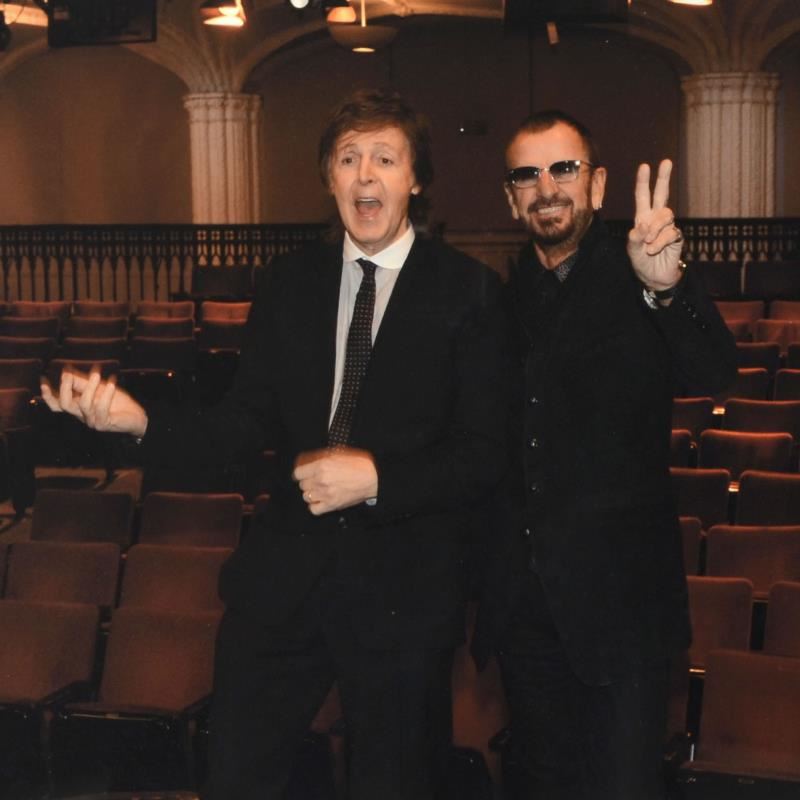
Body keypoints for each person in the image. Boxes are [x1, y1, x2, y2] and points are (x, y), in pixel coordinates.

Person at [41, 88, 510, 800]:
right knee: (235, 778)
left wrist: (378, 479)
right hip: (282, 587)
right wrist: (141, 422)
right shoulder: (290, 282)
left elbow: (483, 454)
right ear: (329, 178)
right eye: (348, 159)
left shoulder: (470, 290)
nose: (365, 175)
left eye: (385, 159)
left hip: (402, 598)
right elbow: (242, 423)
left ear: (416, 178)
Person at [472, 110, 738, 799]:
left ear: (596, 185)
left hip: (623, 614)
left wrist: (667, 289)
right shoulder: (497, 303)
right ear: (511, 199)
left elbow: (715, 371)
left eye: (564, 169)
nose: (546, 188)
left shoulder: (640, 274)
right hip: (527, 616)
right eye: (527, 175)